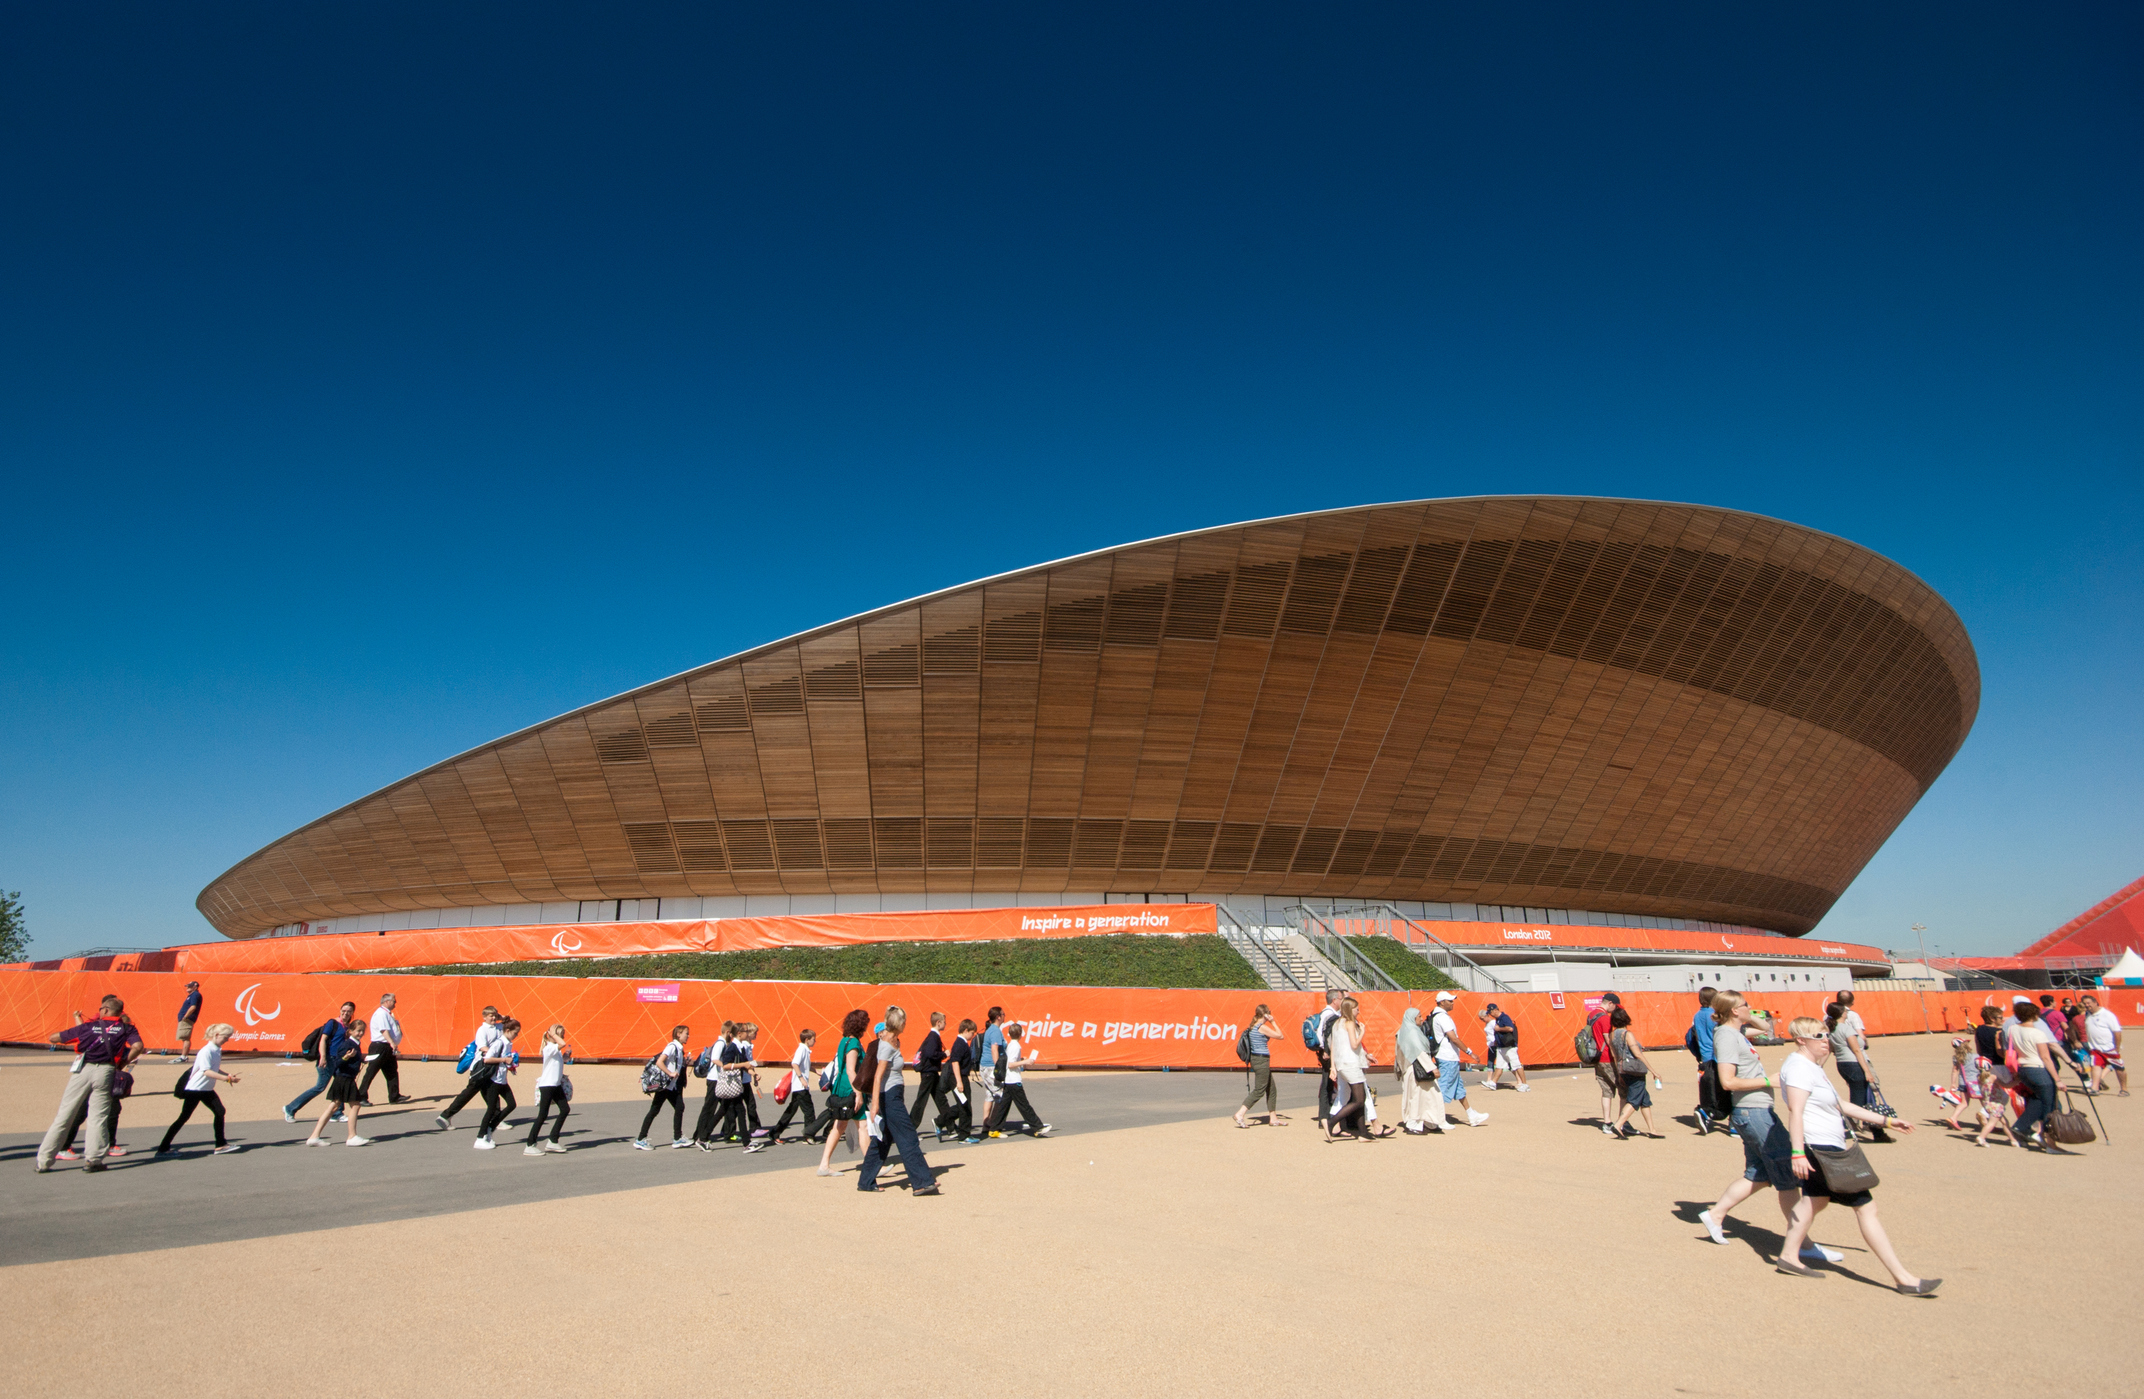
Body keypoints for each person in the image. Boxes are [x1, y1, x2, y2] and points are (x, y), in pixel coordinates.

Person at [1776, 1015, 1939, 1294]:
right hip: (1820, 1149)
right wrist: (1797, 1153)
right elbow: (1796, 1112)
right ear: (1800, 1040)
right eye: (1818, 1036)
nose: (1825, 1040)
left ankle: (1789, 1256)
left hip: (1825, 1147)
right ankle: (1904, 1278)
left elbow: (1841, 1105)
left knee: (1814, 1202)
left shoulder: (1812, 1067)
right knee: (1865, 1208)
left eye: (1825, 1035)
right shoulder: (1799, 1068)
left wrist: (1886, 1121)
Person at [1696, 990, 1841, 1269]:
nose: (1750, 1008)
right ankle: (1803, 1245)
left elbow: (1766, 1027)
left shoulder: (1736, 1032)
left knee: (1758, 1174)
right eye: (1745, 1005)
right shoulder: (1726, 1036)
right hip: (1753, 1111)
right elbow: (1728, 1082)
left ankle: (1715, 1214)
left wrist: (1750, 1013)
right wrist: (1767, 1080)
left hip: (1756, 1111)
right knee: (1788, 1176)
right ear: (1735, 1011)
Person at [36, 995, 144, 1172]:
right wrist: (123, 1062)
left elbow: (54, 1038)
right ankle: (93, 1160)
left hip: (83, 1070)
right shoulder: (127, 1028)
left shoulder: (87, 1026)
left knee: (64, 1115)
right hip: (107, 1070)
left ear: (106, 1010)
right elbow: (138, 1046)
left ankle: (44, 1160)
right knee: (98, 1117)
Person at [856, 1006, 940, 1195]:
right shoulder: (886, 1044)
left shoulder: (894, 1040)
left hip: (893, 1094)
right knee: (908, 1136)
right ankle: (922, 1182)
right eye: (904, 1021)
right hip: (889, 1096)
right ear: (899, 1023)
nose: (906, 1024)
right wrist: (875, 1104)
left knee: (883, 1140)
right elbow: (878, 1077)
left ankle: (865, 1181)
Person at [158, 1021, 241, 1154]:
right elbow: (206, 1071)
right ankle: (163, 1148)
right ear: (217, 1035)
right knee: (184, 1117)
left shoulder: (216, 1049)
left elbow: (214, 1068)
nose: (228, 1040)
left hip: (206, 1089)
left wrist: (227, 1074)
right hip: (195, 1089)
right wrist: (227, 1079)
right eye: (226, 1037)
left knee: (220, 1111)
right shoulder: (206, 1051)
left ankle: (220, 1144)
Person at [1825, 995, 1890, 1144]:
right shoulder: (1846, 1028)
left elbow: (1831, 1049)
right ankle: (1846, 1126)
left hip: (1843, 1064)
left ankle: (1875, 1130)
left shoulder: (1832, 1028)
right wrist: (1867, 1071)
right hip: (1854, 1064)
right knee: (1859, 1099)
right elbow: (1857, 1051)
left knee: (1862, 1097)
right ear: (1843, 1013)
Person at [1323, 998, 1391, 1140]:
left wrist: (1333, 1067)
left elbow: (1334, 1046)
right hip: (1351, 1065)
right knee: (1359, 1100)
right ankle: (1331, 1123)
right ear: (1350, 1009)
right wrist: (1362, 1032)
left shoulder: (1337, 1024)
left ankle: (1363, 1133)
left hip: (1342, 1065)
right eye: (1356, 1009)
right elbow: (1354, 1045)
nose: (1359, 1011)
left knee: (1354, 1097)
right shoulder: (1350, 1023)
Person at [2006, 1002, 2067, 1152]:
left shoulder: (2013, 1029)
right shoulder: (2038, 1033)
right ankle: (2048, 1142)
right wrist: (2057, 1080)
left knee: (2038, 1099)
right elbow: (2046, 1058)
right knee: (2049, 1107)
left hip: (2023, 1068)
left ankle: (2024, 1127)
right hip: (2038, 1069)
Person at [815, 1009, 870, 1176]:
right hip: (850, 1088)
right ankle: (872, 1165)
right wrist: (859, 1093)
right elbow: (851, 1071)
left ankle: (824, 1165)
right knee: (862, 1125)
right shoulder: (854, 1043)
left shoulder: (843, 1040)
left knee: (839, 1126)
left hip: (841, 1087)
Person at [285, 1000, 358, 1123]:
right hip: (328, 1059)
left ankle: (337, 1113)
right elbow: (323, 1040)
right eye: (344, 1011)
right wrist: (323, 1057)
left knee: (339, 1083)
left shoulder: (347, 1027)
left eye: (349, 1011)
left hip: (339, 1060)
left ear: (352, 1013)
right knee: (320, 1087)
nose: (345, 1013)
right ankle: (290, 1108)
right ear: (340, 1010)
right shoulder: (333, 1023)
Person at [438, 1005, 510, 1130]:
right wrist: (497, 1057)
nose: (493, 1018)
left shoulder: (499, 1027)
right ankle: (445, 1115)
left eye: (495, 1015)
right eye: (490, 1015)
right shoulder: (482, 1030)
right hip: (481, 1067)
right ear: (484, 1017)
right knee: (469, 1092)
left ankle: (496, 1118)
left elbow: (512, 1023)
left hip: (492, 1066)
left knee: (492, 1092)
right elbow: (483, 1047)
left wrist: (503, 1017)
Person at [303, 1017, 371, 1147]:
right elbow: (337, 1063)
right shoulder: (347, 1045)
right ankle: (351, 1136)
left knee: (334, 1106)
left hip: (346, 1078)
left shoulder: (355, 1044)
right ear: (350, 1031)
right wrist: (347, 1057)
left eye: (362, 1031)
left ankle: (314, 1136)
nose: (360, 1033)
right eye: (358, 1031)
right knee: (355, 1105)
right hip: (344, 1079)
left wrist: (361, 1060)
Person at [753, 1028, 818, 1151]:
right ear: (807, 1039)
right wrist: (801, 1078)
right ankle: (809, 1135)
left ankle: (775, 1133)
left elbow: (806, 1066)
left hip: (799, 1087)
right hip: (800, 1087)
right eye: (814, 1039)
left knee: (790, 1112)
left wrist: (816, 1072)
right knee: (809, 1111)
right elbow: (795, 1063)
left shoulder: (805, 1050)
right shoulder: (802, 1049)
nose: (815, 1041)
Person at [1430, 990, 1488, 1128]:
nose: (1452, 1002)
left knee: (1458, 1088)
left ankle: (1471, 1115)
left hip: (1449, 1057)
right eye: (1450, 1001)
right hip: (1447, 1057)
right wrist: (1470, 1052)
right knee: (1443, 1088)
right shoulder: (1442, 1017)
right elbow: (1453, 1038)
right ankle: (1435, 1120)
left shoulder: (1438, 1015)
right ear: (1442, 1002)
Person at [985, 1023, 1054, 1137]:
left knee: (1003, 1107)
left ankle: (994, 1129)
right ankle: (1038, 1127)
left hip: (1009, 1080)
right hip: (1013, 1081)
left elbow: (1011, 1061)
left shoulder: (1011, 1045)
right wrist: (1025, 1062)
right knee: (1024, 1105)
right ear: (1021, 1034)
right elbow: (1010, 1064)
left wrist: (1022, 1059)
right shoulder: (1015, 1046)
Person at [634, 1024, 692, 1149]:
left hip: (670, 1086)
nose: (688, 1036)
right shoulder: (672, 1047)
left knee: (679, 1107)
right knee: (655, 1110)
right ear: (678, 1034)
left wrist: (684, 1063)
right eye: (686, 1033)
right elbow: (660, 1061)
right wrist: (670, 1073)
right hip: (665, 1084)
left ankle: (677, 1138)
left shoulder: (679, 1048)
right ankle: (640, 1139)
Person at [1234, 1004, 1288, 1128]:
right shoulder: (1261, 1027)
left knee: (1271, 1089)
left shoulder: (1252, 1026)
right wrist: (1273, 1021)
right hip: (1261, 1060)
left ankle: (1273, 1118)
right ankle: (1240, 1113)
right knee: (1259, 1090)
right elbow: (1280, 1035)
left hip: (1258, 1059)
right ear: (1265, 1014)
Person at [1608, 1007, 1658, 1138]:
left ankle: (1652, 1129)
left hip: (1622, 1069)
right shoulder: (1627, 1034)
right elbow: (1637, 1054)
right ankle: (1619, 1125)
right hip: (1634, 1070)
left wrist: (1618, 1074)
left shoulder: (1612, 1035)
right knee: (1634, 1099)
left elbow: (1614, 1055)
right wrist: (1653, 1071)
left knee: (1644, 1099)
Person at [523, 1023, 572, 1155]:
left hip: (555, 1085)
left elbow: (556, 1061)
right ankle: (530, 1144)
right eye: (560, 1035)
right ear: (552, 1036)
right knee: (542, 1115)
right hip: (547, 1085)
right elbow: (562, 1043)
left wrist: (565, 1058)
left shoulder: (555, 1049)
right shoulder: (549, 1048)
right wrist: (554, 1034)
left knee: (565, 1109)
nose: (562, 1037)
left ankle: (553, 1141)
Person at [1394, 1006, 1444, 1134]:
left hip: (1416, 1068)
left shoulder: (1406, 1031)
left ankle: (1429, 1122)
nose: (1422, 1019)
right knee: (1417, 1097)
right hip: (1416, 1069)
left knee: (1427, 1096)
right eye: (1419, 1016)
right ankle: (1413, 1124)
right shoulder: (1411, 1032)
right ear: (1412, 1018)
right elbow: (1418, 1052)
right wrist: (1432, 1068)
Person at [358, 992, 412, 1105]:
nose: (395, 1004)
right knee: (371, 1072)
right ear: (387, 1001)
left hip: (386, 1047)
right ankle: (361, 1096)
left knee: (392, 1071)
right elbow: (384, 1030)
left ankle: (394, 1095)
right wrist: (392, 1043)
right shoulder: (381, 1014)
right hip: (380, 1046)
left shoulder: (387, 1014)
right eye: (394, 1001)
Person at [691, 1022, 739, 1149]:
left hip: (719, 1080)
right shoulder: (720, 1043)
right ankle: (699, 1134)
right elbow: (715, 1059)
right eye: (732, 1034)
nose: (733, 1037)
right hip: (714, 1080)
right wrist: (726, 1066)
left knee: (728, 1107)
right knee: (709, 1108)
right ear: (728, 1032)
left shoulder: (723, 1043)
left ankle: (729, 1133)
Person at [938, 1018, 979, 1142]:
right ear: (966, 1030)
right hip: (958, 1077)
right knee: (965, 1107)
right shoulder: (960, 1044)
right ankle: (964, 1135)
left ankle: (940, 1121)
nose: (973, 1036)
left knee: (964, 1105)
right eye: (972, 1033)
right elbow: (955, 1062)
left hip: (960, 1076)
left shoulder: (962, 1043)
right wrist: (959, 1082)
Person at [909, 1012, 951, 1134]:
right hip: (929, 1073)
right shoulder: (934, 1036)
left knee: (941, 1099)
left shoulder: (933, 1036)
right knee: (921, 1101)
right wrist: (944, 1054)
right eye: (944, 1022)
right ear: (939, 1023)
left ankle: (951, 1126)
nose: (945, 1024)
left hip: (930, 1073)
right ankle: (910, 1128)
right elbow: (930, 1053)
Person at [1691, 985, 1725, 1133]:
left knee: (1710, 1090)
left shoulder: (1697, 1015)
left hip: (1705, 1057)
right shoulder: (1715, 1015)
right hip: (1718, 1056)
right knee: (1726, 1090)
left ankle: (1706, 1112)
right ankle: (1709, 1113)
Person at [1589, 992, 1623, 1135]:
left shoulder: (1591, 1015)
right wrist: (1619, 1058)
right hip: (1607, 1058)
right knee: (1623, 1089)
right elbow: (1608, 1040)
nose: (1614, 1010)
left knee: (1606, 1091)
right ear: (1610, 1003)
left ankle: (1607, 1122)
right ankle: (1622, 1122)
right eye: (1614, 1006)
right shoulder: (1605, 1019)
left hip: (1596, 1057)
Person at [2081, 994, 2127, 1096]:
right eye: (2085, 1004)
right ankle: (2095, 1088)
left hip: (2109, 1047)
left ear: (2095, 1002)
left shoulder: (2107, 1015)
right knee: (2095, 1066)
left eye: (2088, 1003)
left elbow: (2117, 1032)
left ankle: (2124, 1089)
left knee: (2119, 1068)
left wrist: (2117, 1047)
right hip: (2095, 1047)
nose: (2087, 1005)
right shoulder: (2088, 1014)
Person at [1312, 989, 1343, 1126]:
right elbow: (1325, 1034)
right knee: (1328, 1085)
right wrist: (1326, 1050)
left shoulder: (1327, 1013)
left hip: (1325, 1052)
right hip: (1327, 1053)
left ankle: (1325, 1117)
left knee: (1327, 1084)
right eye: (1341, 999)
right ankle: (1325, 1117)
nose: (1342, 1001)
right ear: (1334, 1000)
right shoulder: (1330, 1015)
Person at [1479, 1002, 1527, 1091]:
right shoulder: (1497, 1019)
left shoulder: (1504, 1017)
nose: (1490, 1014)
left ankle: (1524, 1084)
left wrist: (1499, 1029)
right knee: (1499, 1066)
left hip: (1510, 1046)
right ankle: (1493, 1083)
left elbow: (1510, 1028)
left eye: (1491, 1012)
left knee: (1516, 1065)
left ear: (1495, 1010)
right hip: (1501, 1046)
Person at [172, 981, 203, 1062]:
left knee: (185, 1037)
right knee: (184, 1037)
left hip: (187, 1019)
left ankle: (184, 1056)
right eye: (187, 986)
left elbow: (193, 1007)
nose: (187, 988)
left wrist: (185, 1017)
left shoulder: (195, 994)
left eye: (189, 986)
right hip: (185, 1018)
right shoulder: (192, 995)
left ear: (195, 987)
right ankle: (183, 1055)